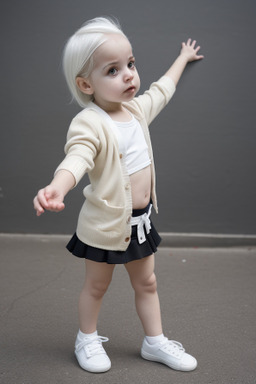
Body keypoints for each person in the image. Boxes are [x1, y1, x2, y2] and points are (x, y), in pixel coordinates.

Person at [33, 17, 204, 374]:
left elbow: (161, 89)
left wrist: (182, 59)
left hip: (139, 223)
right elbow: (76, 157)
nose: (128, 74)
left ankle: (154, 342)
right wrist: (57, 187)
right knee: (96, 286)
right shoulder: (90, 122)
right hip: (104, 225)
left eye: (131, 64)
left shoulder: (136, 110)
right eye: (113, 70)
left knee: (148, 282)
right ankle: (87, 338)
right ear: (86, 84)